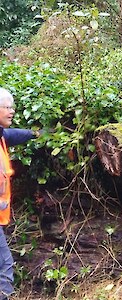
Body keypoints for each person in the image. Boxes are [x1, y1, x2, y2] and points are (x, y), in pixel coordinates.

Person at [0, 87, 41, 300]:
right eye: (7, 107)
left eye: (12, 107)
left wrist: (35, 134)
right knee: (4, 264)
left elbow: (13, 135)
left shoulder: (1, 137)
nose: (12, 111)